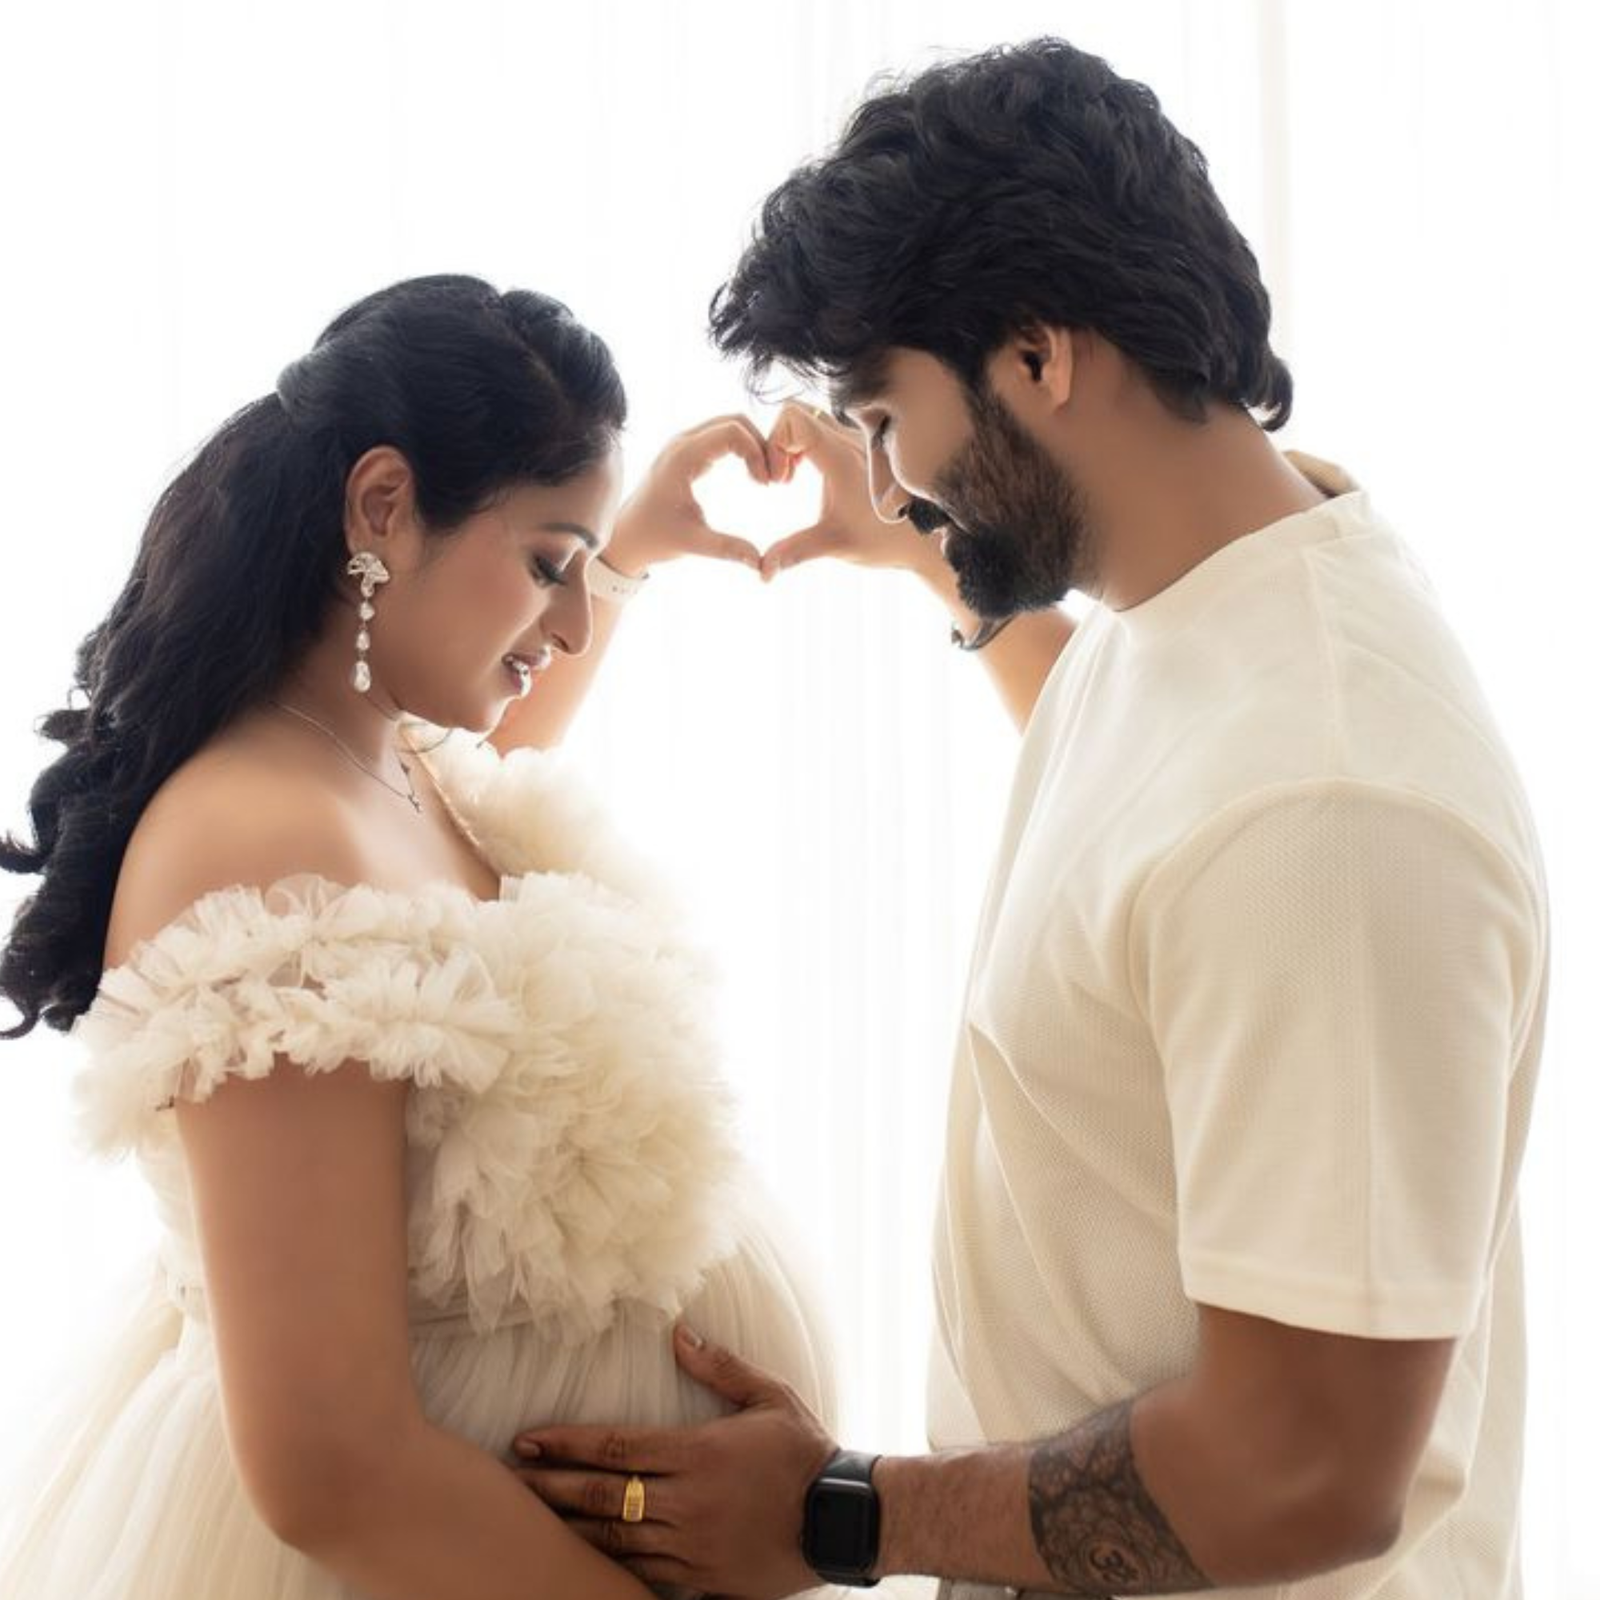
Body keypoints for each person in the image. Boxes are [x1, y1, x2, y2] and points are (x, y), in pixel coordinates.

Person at [508, 37, 1550, 1600]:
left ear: (1038, 357)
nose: (883, 478)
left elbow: (1307, 1470)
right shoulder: (1206, 606)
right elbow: (1139, 833)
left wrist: (842, 1514)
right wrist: (933, 552)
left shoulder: (1321, 806)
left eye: (883, 418)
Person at [0, 273, 847, 1600]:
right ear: (383, 506)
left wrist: (621, 553)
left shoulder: (389, 758)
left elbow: (454, 915)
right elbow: (330, 1468)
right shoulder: (257, 847)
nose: (571, 620)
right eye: (549, 565)